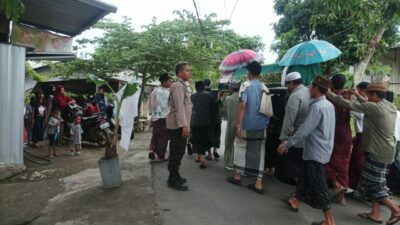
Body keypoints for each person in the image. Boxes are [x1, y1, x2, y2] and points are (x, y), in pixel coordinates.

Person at [327, 83, 400, 225]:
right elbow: (367, 103)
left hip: (377, 152)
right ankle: (376, 213)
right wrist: (357, 95)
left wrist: (328, 92)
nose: (366, 96)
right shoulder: (388, 105)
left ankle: (395, 209)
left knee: (372, 185)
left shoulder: (374, 108)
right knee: (377, 183)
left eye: (368, 94)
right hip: (386, 151)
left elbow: (345, 103)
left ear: (374, 95)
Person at [278, 75, 336, 225]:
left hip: (315, 152)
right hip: (320, 149)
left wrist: (286, 144)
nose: (309, 89)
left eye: (311, 86)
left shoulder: (317, 107)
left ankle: (329, 221)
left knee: (319, 186)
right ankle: (295, 201)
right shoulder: (328, 105)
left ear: (316, 88)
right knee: (303, 178)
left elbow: (304, 130)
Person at [227, 61, 270, 194]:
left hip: (247, 124)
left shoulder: (245, 86)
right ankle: (258, 182)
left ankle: (238, 175)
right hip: (262, 124)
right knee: (259, 152)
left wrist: (238, 124)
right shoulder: (264, 87)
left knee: (240, 147)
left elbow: (242, 106)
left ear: (249, 72)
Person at [278, 72, 310, 208]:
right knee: (301, 167)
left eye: (287, 84)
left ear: (292, 83)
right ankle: (300, 192)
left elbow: (288, 121)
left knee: (291, 166)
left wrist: (284, 140)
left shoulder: (295, 96)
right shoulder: (309, 91)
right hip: (309, 139)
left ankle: (302, 192)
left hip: (296, 139)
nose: (287, 87)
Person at [325, 74, 353, 205]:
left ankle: (336, 185)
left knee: (328, 161)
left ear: (331, 83)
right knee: (343, 165)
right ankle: (341, 197)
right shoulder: (348, 96)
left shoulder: (330, 97)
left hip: (334, 132)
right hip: (346, 132)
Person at [166, 61, 192, 191]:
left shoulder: (182, 86)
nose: (189, 72)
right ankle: (172, 179)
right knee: (177, 152)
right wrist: (184, 126)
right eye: (187, 70)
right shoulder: (177, 86)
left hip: (179, 126)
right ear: (180, 72)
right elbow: (179, 108)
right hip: (177, 126)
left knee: (179, 151)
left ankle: (175, 175)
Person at [348, 82, 369, 190]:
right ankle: (352, 184)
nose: (356, 92)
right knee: (354, 161)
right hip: (359, 135)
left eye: (358, 90)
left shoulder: (367, 104)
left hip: (363, 137)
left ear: (363, 91)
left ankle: (355, 186)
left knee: (357, 162)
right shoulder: (362, 102)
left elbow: (355, 111)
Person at [148, 73, 172, 161]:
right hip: (164, 117)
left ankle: (152, 149)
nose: (171, 82)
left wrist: (152, 114)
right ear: (164, 82)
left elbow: (150, 104)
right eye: (169, 81)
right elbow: (171, 105)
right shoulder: (168, 92)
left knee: (156, 135)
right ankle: (160, 156)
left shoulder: (154, 90)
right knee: (164, 137)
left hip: (155, 117)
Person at [190, 80, 214, 169]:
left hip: (195, 121)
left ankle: (199, 156)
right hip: (206, 122)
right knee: (204, 139)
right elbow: (213, 108)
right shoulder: (209, 96)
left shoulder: (192, 96)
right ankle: (203, 158)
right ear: (204, 87)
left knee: (197, 139)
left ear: (196, 88)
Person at [223, 80, 240, 170]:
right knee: (239, 144)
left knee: (229, 143)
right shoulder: (243, 98)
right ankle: (237, 163)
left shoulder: (228, 99)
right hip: (241, 124)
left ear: (231, 88)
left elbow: (225, 111)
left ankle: (229, 163)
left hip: (230, 124)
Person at [204, 78, 222, 160]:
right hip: (217, 118)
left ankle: (209, 154)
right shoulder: (215, 92)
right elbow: (218, 104)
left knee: (208, 136)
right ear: (211, 85)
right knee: (216, 134)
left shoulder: (203, 95)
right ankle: (215, 150)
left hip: (208, 120)